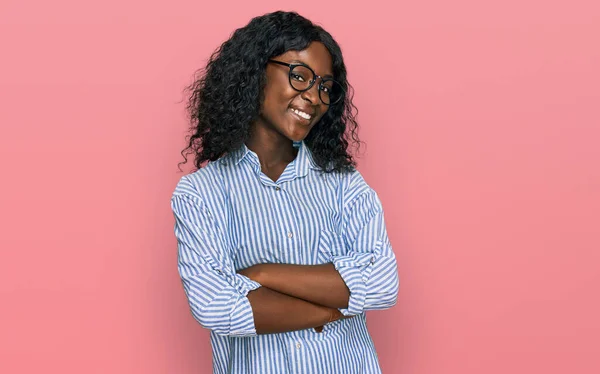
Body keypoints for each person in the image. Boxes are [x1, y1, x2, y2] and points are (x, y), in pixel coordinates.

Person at [171, 11, 399, 374]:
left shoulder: (344, 184)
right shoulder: (201, 193)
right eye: (300, 76)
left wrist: (261, 274)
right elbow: (214, 304)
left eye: (324, 86)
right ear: (255, 72)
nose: (314, 97)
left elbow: (383, 283)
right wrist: (329, 309)